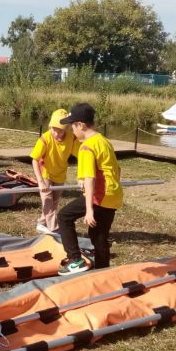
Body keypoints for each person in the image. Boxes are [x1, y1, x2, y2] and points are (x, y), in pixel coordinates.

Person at [56, 103, 123, 275]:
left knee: (64, 216)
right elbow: (117, 169)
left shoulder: (87, 147)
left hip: (100, 196)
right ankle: (103, 271)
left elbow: (90, 178)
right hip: (113, 195)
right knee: (98, 236)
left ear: (81, 125)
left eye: (72, 125)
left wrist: (89, 210)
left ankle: (75, 260)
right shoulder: (103, 141)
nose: (71, 130)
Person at [30, 109, 77, 234]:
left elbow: (82, 154)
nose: (56, 133)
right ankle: (55, 229)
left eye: (60, 130)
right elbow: (34, 160)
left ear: (66, 128)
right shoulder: (45, 138)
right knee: (47, 201)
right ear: (50, 126)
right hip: (46, 173)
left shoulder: (71, 138)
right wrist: (40, 182)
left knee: (54, 203)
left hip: (60, 174)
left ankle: (41, 223)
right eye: (54, 129)